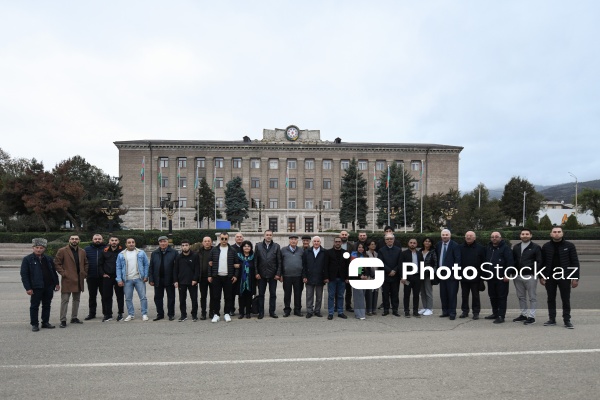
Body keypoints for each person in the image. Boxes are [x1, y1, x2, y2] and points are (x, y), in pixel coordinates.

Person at [540, 227, 580, 329]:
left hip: (564, 276)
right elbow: (542, 263)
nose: (556, 234)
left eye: (559, 232)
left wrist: (575, 278)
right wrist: (541, 276)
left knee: (565, 299)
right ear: (551, 234)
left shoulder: (569, 246)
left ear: (562, 234)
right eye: (554, 232)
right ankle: (552, 319)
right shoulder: (546, 246)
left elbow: (574, 262)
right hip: (550, 277)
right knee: (551, 298)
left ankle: (567, 320)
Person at [20, 238, 60, 331]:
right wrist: (28, 288)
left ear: (44, 248)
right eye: (37, 247)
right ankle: (34, 324)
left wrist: (56, 283)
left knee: (47, 305)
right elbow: (24, 275)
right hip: (36, 287)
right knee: (34, 306)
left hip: (48, 286)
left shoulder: (49, 259)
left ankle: (45, 322)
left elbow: (53, 272)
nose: (39, 249)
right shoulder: (27, 259)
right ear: (33, 248)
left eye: (41, 247)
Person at [54, 235, 89, 328]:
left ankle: (74, 317)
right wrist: (64, 273)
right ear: (69, 240)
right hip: (68, 279)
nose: (74, 240)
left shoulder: (82, 251)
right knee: (65, 300)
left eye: (76, 239)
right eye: (72, 239)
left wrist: (84, 273)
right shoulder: (62, 251)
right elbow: (57, 263)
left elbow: (86, 263)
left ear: (79, 240)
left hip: (79, 279)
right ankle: (63, 320)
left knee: (76, 300)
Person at [511, 228, 543, 325]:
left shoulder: (536, 247)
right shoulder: (516, 247)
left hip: (530, 275)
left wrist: (534, 272)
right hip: (518, 275)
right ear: (520, 236)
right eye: (523, 234)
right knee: (521, 296)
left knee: (532, 297)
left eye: (527, 234)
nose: (525, 235)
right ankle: (523, 314)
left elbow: (539, 261)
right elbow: (513, 261)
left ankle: (532, 316)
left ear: (530, 235)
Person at [116, 237, 150, 322]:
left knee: (143, 297)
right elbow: (118, 267)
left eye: (133, 242)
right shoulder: (121, 254)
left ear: (135, 243)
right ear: (126, 244)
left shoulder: (141, 253)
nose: (131, 244)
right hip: (127, 279)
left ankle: (144, 314)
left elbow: (146, 264)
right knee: (128, 298)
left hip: (139, 278)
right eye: (129, 242)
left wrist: (146, 275)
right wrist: (119, 279)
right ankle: (131, 314)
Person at [484, 231, 514, 324]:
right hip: (491, 277)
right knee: (492, 296)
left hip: (501, 277)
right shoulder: (488, 248)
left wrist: (507, 274)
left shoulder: (505, 248)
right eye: (492, 236)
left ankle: (501, 316)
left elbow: (510, 262)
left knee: (501, 297)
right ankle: (495, 313)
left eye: (496, 236)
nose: (494, 238)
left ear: (500, 238)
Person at [209, 232, 239, 322]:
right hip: (216, 277)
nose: (224, 240)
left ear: (228, 239)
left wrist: (235, 276)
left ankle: (226, 313)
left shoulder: (232, 250)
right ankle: (216, 314)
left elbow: (236, 264)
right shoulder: (214, 250)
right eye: (222, 238)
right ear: (219, 239)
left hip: (228, 277)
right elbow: (209, 264)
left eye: (226, 239)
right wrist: (210, 275)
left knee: (228, 297)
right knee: (216, 297)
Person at [149, 235, 178, 321]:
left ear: (167, 242)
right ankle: (160, 314)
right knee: (158, 298)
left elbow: (177, 267)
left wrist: (175, 279)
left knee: (171, 297)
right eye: (161, 242)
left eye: (164, 241)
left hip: (169, 279)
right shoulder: (154, 253)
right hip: (158, 279)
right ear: (159, 243)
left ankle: (171, 314)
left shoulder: (174, 252)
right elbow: (151, 267)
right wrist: (151, 279)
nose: (163, 243)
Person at [255, 230, 282, 319]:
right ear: (264, 235)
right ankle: (261, 312)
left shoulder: (276, 246)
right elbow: (255, 261)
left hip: (273, 275)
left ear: (272, 236)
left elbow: (279, 262)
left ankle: (272, 312)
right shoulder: (258, 246)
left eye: (270, 235)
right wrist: (256, 273)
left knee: (273, 294)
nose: (268, 236)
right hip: (261, 274)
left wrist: (278, 274)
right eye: (267, 235)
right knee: (261, 294)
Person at [435, 229, 461, 320]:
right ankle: (445, 311)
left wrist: (455, 273)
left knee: (452, 294)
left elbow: (458, 260)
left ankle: (452, 313)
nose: (444, 236)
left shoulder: (455, 245)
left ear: (450, 236)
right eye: (443, 235)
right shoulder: (438, 245)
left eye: (446, 235)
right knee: (443, 294)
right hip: (441, 273)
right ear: (441, 236)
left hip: (452, 274)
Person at [460, 231, 485, 320]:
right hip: (464, 276)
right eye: (467, 236)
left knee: (475, 295)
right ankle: (465, 311)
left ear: (474, 238)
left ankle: (476, 312)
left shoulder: (481, 248)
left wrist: (482, 276)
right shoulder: (460, 247)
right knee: (464, 295)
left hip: (476, 276)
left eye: (470, 236)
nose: (468, 237)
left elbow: (483, 263)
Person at [98, 236, 124, 322]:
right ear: (109, 241)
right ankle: (108, 314)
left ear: (118, 241)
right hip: (108, 277)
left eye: (116, 240)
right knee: (107, 296)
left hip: (119, 277)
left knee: (120, 296)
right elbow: (100, 264)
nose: (114, 242)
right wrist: (103, 274)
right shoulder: (104, 251)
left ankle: (120, 313)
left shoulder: (122, 251)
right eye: (112, 240)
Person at [173, 239, 200, 322]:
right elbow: (175, 270)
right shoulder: (178, 257)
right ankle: (183, 315)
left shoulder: (195, 256)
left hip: (192, 282)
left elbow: (197, 269)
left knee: (194, 299)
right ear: (181, 247)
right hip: (181, 282)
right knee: (182, 299)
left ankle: (194, 315)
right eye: (183, 245)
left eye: (186, 245)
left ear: (189, 246)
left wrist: (195, 279)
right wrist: (175, 281)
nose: (185, 247)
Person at [302, 236, 327, 318]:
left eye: (318, 241)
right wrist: (304, 276)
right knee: (309, 296)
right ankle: (309, 311)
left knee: (319, 296)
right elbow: (304, 265)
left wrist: (325, 277)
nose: (316, 243)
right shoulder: (307, 252)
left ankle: (317, 311)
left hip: (320, 277)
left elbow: (326, 266)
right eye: (315, 241)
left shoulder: (324, 252)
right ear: (312, 242)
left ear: (320, 242)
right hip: (309, 277)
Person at [325, 237, 350, 320]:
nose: (338, 243)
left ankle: (340, 312)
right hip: (332, 278)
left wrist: (347, 277)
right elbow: (326, 266)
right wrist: (326, 277)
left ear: (341, 243)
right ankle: (331, 313)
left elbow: (348, 266)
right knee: (331, 296)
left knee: (340, 296)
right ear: (334, 242)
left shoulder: (345, 253)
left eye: (339, 242)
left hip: (342, 278)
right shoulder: (328, 252)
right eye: (336, 241)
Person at [378, 233, 402, 317]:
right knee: (385, 294)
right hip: (385, 275)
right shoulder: (381, 250)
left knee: (395, 293)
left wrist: (394, 270)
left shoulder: (398, 250)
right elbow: (380, 262)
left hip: (395, 275)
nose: (389, 240)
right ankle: (386, 309)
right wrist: (389, 271)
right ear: (385, 241)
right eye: (387, 239)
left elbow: (400, 262)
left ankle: (395, 310)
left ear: (393, 240)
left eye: (391, 239)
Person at [281, 235, 305, 317]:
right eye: (292, 239)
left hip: (298, 276)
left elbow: (304, 264)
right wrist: (280, 274)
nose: (293, 241)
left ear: (297, 241)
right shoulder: (283, 250)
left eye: (295, 239)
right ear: (289, 241)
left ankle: (297, 310)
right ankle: (287, 310)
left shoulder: (301, 251)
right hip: (287, 276)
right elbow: (280, 263)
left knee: (298, 294)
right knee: (287, 294)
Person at [83, 234, 104, 320]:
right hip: (91, 276)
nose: (97, 240)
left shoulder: (106, 249)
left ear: (102, 240)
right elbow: (83, 262)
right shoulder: (87, 249)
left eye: (99, 239)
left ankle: (106, 313)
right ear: (92, 239)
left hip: (103, 277)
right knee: (92, 296)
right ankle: (92, 313)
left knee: (105, 296)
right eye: (95, 239)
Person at [401, 238, 423, 317]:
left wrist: (422, 276)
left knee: (416, 295)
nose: (412, 244)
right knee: (406, 294)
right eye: (411, 243)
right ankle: (406, 311)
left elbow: (422, 265)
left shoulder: (419, 254)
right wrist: (403, 276)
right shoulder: (404, 253)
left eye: (414, 243)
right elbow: (401, 265)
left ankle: (415, 311)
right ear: (408, 244)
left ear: (416, 244)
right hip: (407, 277)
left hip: (417, 277)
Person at [236, 240, 256, 319]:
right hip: (240, 280)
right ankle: (241, 312)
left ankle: (248, 312)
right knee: (241, 296)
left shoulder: (253, 256)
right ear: (242, 247)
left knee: (249, 296)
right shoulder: (238, 256)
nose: (247, 248)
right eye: (245, 246)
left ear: (251, 248)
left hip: (250, 280)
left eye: (248, 246)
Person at [418, 237, 437, 316]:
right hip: (420, 274)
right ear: (423, 242)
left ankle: (430, 308)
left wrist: (433, 272)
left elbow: (436, 263)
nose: (427, 243)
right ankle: (425, 307)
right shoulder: (420, 251)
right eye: (426, 241)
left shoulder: (433, 252)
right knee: (422, 292)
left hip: (428, 274)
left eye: (429, 241)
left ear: (431, 243)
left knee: (428, 291)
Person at [350, 243, 368, 320]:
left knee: (362, 296)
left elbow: (368, 268)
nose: (361, 248)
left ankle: (362, 313)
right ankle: (359, 314)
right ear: (356, 248)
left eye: (362, 247)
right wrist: (360, 276)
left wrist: (366, 275)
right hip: (356, 278)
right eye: (359, 247)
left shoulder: (365, 256)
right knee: (358, 296)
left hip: (364, 279)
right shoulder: (353, 256)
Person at [197, 236, 213, 320]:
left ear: (211, 242)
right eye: (205, 241)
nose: (207, 242)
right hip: (202, 277)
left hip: (213, 277)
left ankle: (212, 312)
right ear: (202, 242)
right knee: (203, 296)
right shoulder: (199, 252)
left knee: (213, 296)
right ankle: (203, 312)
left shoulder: (215, 251)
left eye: (208, 241)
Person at [340, 230, 355, 312]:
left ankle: (348, 305)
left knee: (348, 289)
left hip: (349, 269)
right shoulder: (337, 244)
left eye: (345, 234)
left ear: (347, 236)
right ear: (340, 236)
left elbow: (354, 257)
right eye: (343, 234)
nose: (344, 236)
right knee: (338, 289)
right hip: (339, 270)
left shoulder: (352, 246)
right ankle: (337, 305)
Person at [230, 232, 244, 315]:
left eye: (240, 237)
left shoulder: (246, 247)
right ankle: (231, 309)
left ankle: (242, 308)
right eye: (237, 237)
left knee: (242, 293)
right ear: (235, 239)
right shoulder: (231, 248)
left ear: (243, 238)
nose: (239, 238)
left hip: (243, 274)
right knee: (231, 293)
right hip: (233, 274)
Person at [364, 240, 379, 316]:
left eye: (374, 244)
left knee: (375, 293)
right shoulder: (366, 254)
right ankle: (369, 310)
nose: (373, 245)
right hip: (369, 276)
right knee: (369, 293)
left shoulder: (376, 254)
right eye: (371, 244)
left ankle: (374, 309)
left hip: (377, 276)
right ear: (368, 246)